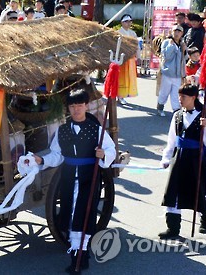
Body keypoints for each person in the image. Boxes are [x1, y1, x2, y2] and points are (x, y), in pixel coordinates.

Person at [33, 89, 116, 272]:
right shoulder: (62, 130)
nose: (76, 109)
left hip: (89, 178)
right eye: (72, 106)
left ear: (86, 106)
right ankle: (75, 251)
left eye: (79, 105)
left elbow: (112, 150)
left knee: (83, 215)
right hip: (69, 177)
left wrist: (104, 154)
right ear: (68, 108)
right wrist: (43, 160)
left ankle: (80, 257)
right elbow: (57, 155)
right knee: (69, 214)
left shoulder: (97, 130)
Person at [158, 84, 206, 239]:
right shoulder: (177, 115)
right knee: (173, 191)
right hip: (178, 158)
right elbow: (172, 139)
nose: (180, 99)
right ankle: (173, 228)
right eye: (179, 96)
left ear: (193, 98)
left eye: (183, 97)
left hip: (195, 159)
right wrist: (166, 157)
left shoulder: (204, 115)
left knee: (197, 190)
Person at [157, 24, 186, 116]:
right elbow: (166, 56)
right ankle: (160, 107)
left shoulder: (182, 43)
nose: (177, 33)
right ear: (171, 32)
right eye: (175, 31)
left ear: (182, 33)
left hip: (178, 74)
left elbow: (185, 58)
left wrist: (184, 50)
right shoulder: (166, 42)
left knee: (175, 94)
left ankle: (176, 110)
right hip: (167, 72)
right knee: (164, 92)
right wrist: (171, 46)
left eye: (179, 31)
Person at [117, 14, 139, 105]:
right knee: (121, 77)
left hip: (130, 59)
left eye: (130, 21)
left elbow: (137, 46)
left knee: (129, 77)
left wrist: (138, 56)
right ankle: (120, 96)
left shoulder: (133, 33)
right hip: (122, 58)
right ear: (122, 22)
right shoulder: (118, 32)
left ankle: (126, 94)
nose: (128, 23)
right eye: (126, 21)